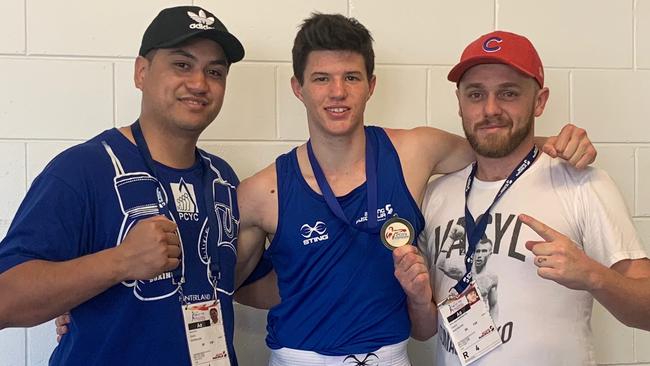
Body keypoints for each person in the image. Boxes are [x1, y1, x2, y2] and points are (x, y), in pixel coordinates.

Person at [234, 14, 596, 365]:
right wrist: (307, 286)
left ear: (371, 85)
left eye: (351, 77)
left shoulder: (414, 152)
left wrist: (564, 143)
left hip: (389, 355)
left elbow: (494, 142)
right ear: (299, 88)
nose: (338, 92)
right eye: (321, 79)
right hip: (300, 357)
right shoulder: (262, 192)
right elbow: (231, 283)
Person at [0, 6, 245, 365]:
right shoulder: (82, 169)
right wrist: (120, 262)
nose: (199, 83)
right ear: (141, 72)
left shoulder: (223, 178)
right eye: (182, 64)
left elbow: (257, 284)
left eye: (215, 71)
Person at [418, 30, 650, 366]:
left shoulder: (581, 182)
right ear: (460, 103)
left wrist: (593, 275)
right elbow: (424, 327)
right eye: (475, 94)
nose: (490, 109)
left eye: (508, 93)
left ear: (539, 101)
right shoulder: (437, 194)